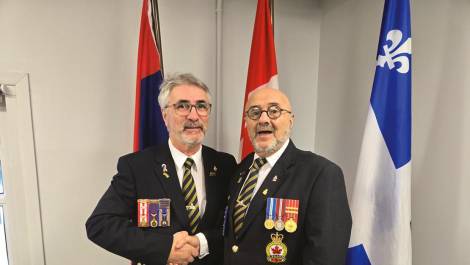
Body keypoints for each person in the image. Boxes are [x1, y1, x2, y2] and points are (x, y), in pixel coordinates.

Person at [86, 73, 236, 265]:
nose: (193, 115)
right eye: (182, 106)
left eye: (201, 106)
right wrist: (164, 249)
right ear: (165, 115)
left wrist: (202, 243)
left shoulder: (225, 165)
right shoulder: (137, 167)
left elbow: (235, 227)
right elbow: (100, 224)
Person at [223, 88, 352, 265]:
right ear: (246, 122)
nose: (263, 119)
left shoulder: (321, 174)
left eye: (274, 111)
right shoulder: (239, 170)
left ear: (291, 120)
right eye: (255, 113)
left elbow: (325, 257)